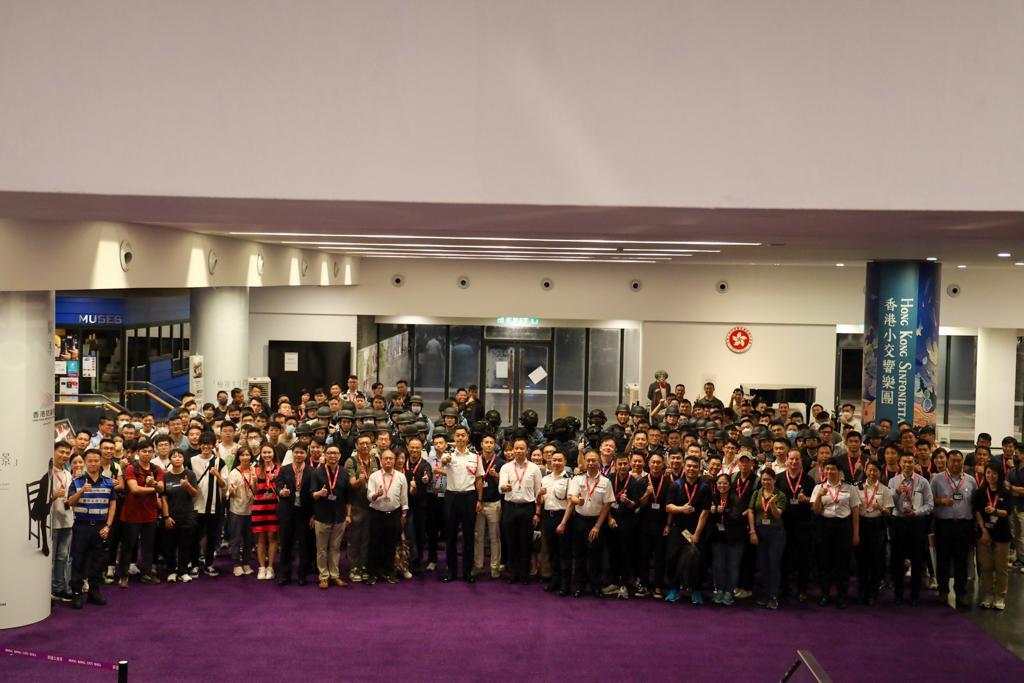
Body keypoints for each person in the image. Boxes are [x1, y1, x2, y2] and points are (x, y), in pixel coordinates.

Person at [67, 449, 116, 609]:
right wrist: (81, 491)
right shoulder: (77, 481)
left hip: (101, 527)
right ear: (85, 462)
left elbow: (112, 504)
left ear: (100, 462)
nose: (93, 463)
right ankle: (76, 593)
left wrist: (108, 525)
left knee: (98, 560)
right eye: (90, 461)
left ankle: (94, 591)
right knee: (78, 560)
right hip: (81, 526)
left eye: (96, 460)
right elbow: (70, 502)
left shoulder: (108, 482)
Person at [931, 450, 978, 607]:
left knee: (962, 560)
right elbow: (929, 502)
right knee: (943, 559)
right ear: (947, 461)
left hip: (964, 526)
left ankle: (961, 592)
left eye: (959, 461)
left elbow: (975, 504)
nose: (956, 464)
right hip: (944, 524)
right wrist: (942, 501)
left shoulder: (971, 480)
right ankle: (943, 590)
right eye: (953, 461)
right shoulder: (937, 479)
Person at [565, 449, 615, 597]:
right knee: (579, 555)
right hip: (580, 520)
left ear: (599, 462)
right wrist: (576, 500)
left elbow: (607, 505)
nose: (591, 463)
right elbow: (571, 498)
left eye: (594, 460)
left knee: (595, 556)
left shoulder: (606, 481)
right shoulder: (577, 479)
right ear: (584, 462)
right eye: (589, 460)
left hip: (596, 522)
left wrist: (597, 526)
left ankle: (595, 586)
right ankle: (579, 586)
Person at [811, 458, 860, 608]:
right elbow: (816, 511)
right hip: (825, 526)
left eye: (833, 469)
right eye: (827, 469)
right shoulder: (819, 487)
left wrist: (856, 533)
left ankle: (842, 596)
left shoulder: (849, 488)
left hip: (843, 527)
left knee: (842, 564)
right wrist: (819, 495)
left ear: (839, 471)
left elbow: (855, 511)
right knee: (824, 563)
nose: (830, 472)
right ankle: (825, 594)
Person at [888, 452, 934, 605]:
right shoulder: (893, 481)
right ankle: (898, 594)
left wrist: (916, 512)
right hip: (898, 522)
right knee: (897, 560)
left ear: (915, 464)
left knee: (917, 559)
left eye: (910, 462)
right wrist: (897, 492)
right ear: (900, 463)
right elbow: (888, 503)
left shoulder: (923, 482)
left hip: (916, 522)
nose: (908, 465)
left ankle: (915, 594)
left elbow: (930, 505)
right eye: (905, 462)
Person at [665, 454, 711, 605]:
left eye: (695, 467)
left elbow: (705, 512)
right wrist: (681, 509)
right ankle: (674, 589)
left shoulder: (704, 487)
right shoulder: (676, 485)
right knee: (673, 559)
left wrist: (697, 534)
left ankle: (695, 590)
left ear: (699, 469)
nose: (691, 469)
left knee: (697, 560)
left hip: (696, 530)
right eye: (689, 466)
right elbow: (668, 507)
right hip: (678, 530)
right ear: (684, 467)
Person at [117, 438, 163, 587]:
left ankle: (146, 573)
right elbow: (134, 489)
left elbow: (162, 488)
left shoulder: (157, 469)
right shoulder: (132, 468)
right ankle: (123, 575)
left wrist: (154, 484)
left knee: (148, 547)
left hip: (150, 514)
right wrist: (153, 488)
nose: (147, 454)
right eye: (144, 451)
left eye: (150, 451)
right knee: (128, 546)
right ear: (138, 453)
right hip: (131, 514)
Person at [440, 425, 484, 583]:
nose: (460, 438)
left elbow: (479, 480)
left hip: (469, 497)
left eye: (463, 435)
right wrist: (445, 460)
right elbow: (441, 464)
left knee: (468, 536)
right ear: (453, 437)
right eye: (457, 435)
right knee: (450, 536)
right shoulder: (448, 454)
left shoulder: (475, 456)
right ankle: (451, 571)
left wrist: (479, 500)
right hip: (452, 497)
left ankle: (467, 571)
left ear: (467, 437)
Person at [499, 437, 543, 585]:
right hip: (510, 507)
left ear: (527, 450)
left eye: (521, 448)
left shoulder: (534, 469)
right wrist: (504, 487)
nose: (518, 451)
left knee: (525, 542)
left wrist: (537, 512)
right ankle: (513, 573)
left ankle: (525, 574)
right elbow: (501, 486)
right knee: (511, 541)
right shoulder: (506, 467)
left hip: (527, 508)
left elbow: (538, 493)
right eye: (516, 448)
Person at [603, 452, 646, 598]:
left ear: (629, 464)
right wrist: (609, 518)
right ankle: (614, 582)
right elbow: (606, 503)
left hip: (628, 524)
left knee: (626, 554)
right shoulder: (609, 479)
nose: (622, 467)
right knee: (612, 553)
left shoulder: (635, 482)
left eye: (624, 464)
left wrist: (628, 502)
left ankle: (625, 584)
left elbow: (636, 505)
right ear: (615, 464)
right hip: (611, 522)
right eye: (619, 464)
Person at [366, 449, 409, 584]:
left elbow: (404, 498)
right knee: (374, 544)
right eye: (386, 458)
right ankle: (372, 573)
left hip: (394, 515)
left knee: (391, 544)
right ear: (381, 461)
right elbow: (369, 497)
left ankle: (389, 572)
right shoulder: (374, 476)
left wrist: (404, 514)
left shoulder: (401, 477)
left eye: (391, 458)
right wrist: (376, 495)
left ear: (395, 460)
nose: (388, 461)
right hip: (377, 514)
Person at [312, 445, 352, 588]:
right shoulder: (317, 473)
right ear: (325, 455)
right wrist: (319, 493)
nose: (332, 456)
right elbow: (312, 494)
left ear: (340, 456)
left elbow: (348, 498)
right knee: (321, 549)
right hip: (322, 517)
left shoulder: (344, 473)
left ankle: (334, 575)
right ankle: (323, 576)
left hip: (340, 517)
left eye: (335, 453)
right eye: (329, 453)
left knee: (335, 548)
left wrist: (348, 515)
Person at [275, 441, 314, 586]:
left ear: (306, 454)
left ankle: (302, 575)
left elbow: (313, 494)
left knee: (304, 544)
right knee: (286, 543)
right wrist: (281, 491)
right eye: (296, 452)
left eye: (302, 452)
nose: (298, 455)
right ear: (292, 453)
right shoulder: (284, 470)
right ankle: (285, 574)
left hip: (304, 513)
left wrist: (313, 515)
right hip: (287, 511)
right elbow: (277, 485)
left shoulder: (311, 471)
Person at [856, 460, 893, 605]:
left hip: (877, 526)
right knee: (861, 560)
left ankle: (873, 592)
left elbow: (889, 513)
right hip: (861, 524)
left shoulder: (885, 490)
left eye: (875, 471)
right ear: (865, 470)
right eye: (870, 470)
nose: (872, 473)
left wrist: (881, 509)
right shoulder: (857, 488)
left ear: (880, 473)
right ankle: (862, 589)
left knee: (876, 560)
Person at [975, 464, 1011, 610]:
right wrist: (983, 530)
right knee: (986, 567)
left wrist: (995, 510)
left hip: (1002, 534)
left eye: (994, 473)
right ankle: (988, 595)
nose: (991, 476)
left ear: (999, 475)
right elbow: (977, 512)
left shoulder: (1005, 493)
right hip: (985, 534)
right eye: (988, 473)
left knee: (1001, 567)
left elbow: (1006, 512)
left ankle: (1000, 596)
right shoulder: (981, 492)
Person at [344, 431, 379, 583]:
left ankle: (364, 566)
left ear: (372, 445)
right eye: (361, 444)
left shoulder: (375, 460)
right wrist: (360, 480)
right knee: (355, 537)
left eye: (367, 443)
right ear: (357, 446)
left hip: (372, 505)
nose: (365, 446)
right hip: (356, 505)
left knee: (367, 538)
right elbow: (351, 484)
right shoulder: (351, 461)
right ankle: (354, 567)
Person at [636, 452, 672, 598]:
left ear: (663, 465)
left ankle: (657, 585)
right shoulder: (641, 482)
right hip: (644, 526)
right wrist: (647, 494)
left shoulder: (669, 483)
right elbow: (638, 505)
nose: (656, 465)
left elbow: (670, 506)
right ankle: (644, 584)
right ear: (648, 464)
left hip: (661, 525)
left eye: (658, 463)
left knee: (659, 557)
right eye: (653, 462)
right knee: (643, 556)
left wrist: (668, 525)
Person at [191, 437, 228, 577]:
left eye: (209, 444)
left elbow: (224, 484)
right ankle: (194, 565)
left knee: (212, 537)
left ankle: (209, 564)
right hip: (196, 506)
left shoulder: (220, 462)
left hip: (214, 506)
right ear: (200, 445)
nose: (206, 447)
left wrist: (217, 474)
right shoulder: (191, 460)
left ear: (213, 445)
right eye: (203, 444)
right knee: (194, 537)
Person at [706, 474, 746, 606]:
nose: (722, 486)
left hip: (735, 539)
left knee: (732, 566)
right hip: (718, 538)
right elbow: (710, 520)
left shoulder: (736, 499)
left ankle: (729, 592)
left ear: (730, 485)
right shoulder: (713, 498)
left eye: (724, 483)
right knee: (718, 566)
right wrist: (712, 512)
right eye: (719, 483)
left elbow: (736, 517)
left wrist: (724, 511)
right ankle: (719, 590)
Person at [161, 448, 198, 583]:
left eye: (180, 456)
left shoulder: (190, 474)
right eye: (174, 457)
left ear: (183, 459)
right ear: (170, 459)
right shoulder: (165, 476)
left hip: (187, 515)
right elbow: (163, 498)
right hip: (171, 515)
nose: (177, 459)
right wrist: (166, 516)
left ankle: (183, 571)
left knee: (185, 545)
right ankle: (171, 571)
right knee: (169, 545)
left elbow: (194, 494)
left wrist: (187, 485)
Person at [539, 450, 573, 595]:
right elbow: (540, 501)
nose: (557, 463)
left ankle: (565, 584)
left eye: (560, 460)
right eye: (554, 460)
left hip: (563, 517)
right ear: (550, 461)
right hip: (548, 517)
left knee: (564, 552)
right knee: (552, 551)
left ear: (565, 462)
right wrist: (538, 495)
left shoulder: (570, 479)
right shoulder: (545, 479)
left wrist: (563, 523)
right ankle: (555, 580)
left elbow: (571, 503)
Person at [474, 433, 503, 579]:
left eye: (492, 442)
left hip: (494, 502)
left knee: (495, 537)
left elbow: (503, 485)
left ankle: (495, 567)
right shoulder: (475, 460)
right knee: (478, 536)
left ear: (495, 445)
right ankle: (478, 565)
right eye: (486, 442)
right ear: (481, 444)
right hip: (478, 502)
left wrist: (496, 476)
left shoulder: (500, 462)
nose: (489, 445)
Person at [226, 446, 257, 577]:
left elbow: (256, 492)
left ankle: (246, 562)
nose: (245, 457)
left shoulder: (254, 470)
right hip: (237, 510)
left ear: (251, 457)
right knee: (236, 538)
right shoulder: (234, 472)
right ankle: (236, 564)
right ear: (238, 457)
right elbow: (230, 493)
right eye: (242, 455)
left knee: (249, 539)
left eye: (247, 455)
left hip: (251, 510)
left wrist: (255, 483)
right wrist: (231, 491)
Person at [49, 442, 74, 603]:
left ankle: (58, 589)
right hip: (51, 522)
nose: (64, 455)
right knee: (49, 559)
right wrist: (53, 496)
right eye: (61, 452)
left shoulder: (68, 473)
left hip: (67, 521)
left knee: (62, 558)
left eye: (67, 453)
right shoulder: (47, 472)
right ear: (53, 451)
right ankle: (46, 591)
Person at [252, 444, 280, 580]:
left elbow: (281, 490)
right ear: (261, 454)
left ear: (273, 453)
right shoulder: (256, 470)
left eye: (269, 452)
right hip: (259, 508)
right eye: (264, 453)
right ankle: (261, 567)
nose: (267, 455)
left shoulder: (280, 470)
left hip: (274, 508)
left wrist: (276, 481)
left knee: (273, 538)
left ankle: (270, 567)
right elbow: (255, 491)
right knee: (261, 539)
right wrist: (253, 482)